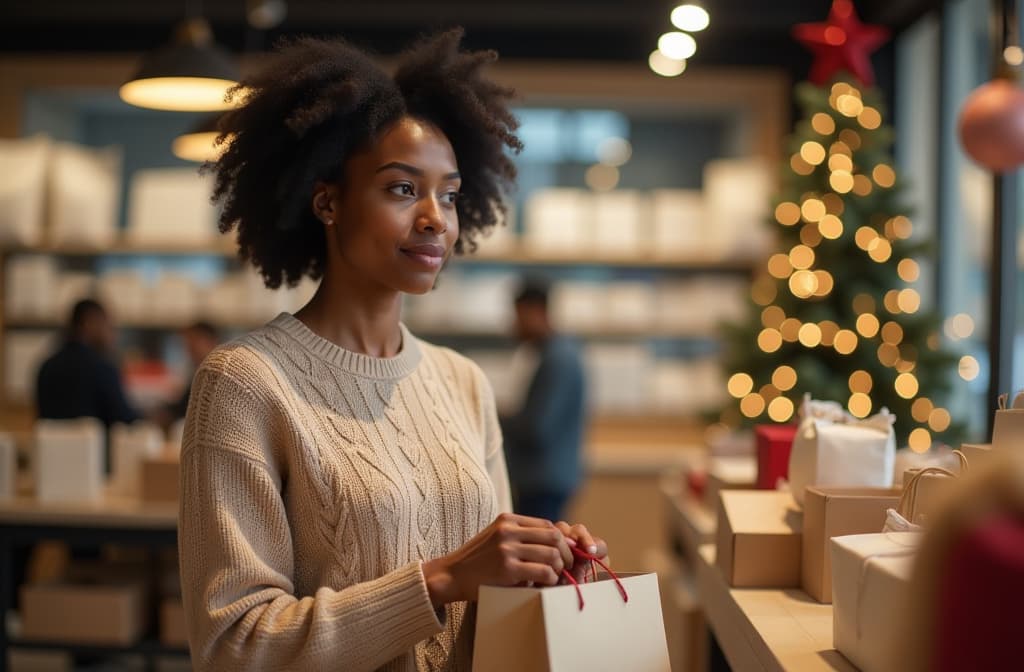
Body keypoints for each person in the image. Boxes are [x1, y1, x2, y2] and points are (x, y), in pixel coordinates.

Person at [179, 29, 608, 671]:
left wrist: (543, 562)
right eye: (403, 189)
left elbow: (493, 604)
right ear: (327, 200)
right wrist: (438, 581)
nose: (436, 218)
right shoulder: (245, 384)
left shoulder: (462, 381)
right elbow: (233, 646)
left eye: (451, 195)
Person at [500, 280, 587, 522]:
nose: (514, 325)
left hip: (544, 481)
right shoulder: (553, 353)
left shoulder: (558, 359)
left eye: (518, 316)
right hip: (546, 478)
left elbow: (537, 428)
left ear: (536, 311)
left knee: (538, 553)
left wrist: (495, 415)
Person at [35, 298, 139, 427]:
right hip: (95, 446)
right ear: (89, 323)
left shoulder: (46, 367)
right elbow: (125, 418)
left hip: (52, 447)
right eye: (107, 325)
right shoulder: (102, 368)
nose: (112, 334)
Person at [164, 321, 220, 423]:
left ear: (209, 341)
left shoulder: (217, 374)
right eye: (187, 343)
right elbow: (183, 405)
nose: (189, 349)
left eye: (193, 342)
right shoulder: (198, 371)